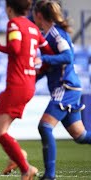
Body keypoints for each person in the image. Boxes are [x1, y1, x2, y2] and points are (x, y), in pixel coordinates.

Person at [0, 0, 54, 179]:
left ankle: (25, 168)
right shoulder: (34, 28)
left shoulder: (13, 24)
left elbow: (15, 48)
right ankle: (17, 154)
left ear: (9, 8)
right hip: (25, 84)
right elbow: (49, 52)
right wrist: (41, 64)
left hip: (17, 85)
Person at [33, 1, 91, 179]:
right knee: (80, 136)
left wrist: (43, 60)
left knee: (45, 126)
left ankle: (49, 175)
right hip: (69, 88)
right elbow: (49, 67)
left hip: (65, 87)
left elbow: (68, 57)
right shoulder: (49, 36)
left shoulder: (56, 33)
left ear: (39, 16)